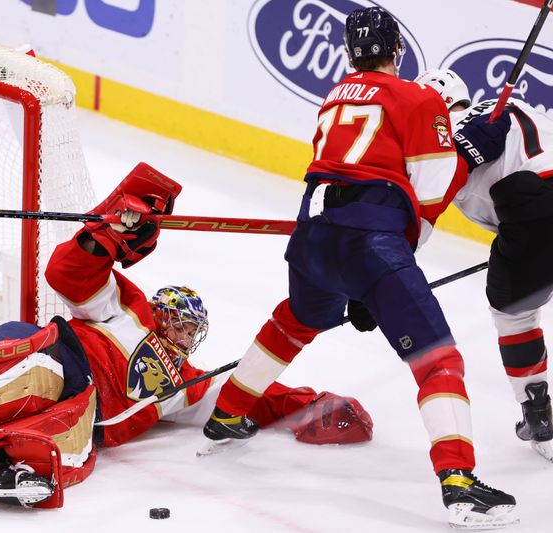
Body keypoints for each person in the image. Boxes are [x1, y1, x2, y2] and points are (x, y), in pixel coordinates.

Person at [0, 162, 374, 509]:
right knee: (36, 363)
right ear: (162, 313)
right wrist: (106, 237)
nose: (185, 334)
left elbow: (248, 396)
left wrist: (314, 405)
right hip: (63, 357)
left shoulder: (189, 384)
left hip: (86, 407)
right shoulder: (128, 308)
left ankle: (15, 466)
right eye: (181, 322)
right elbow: (69, 275)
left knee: (72, 441)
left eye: (193, 329)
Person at [200, 7, 518, 529]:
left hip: (312, 238)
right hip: (370, 242)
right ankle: (459, 481)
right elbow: (432, 191)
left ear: (352, 53)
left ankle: (227, 414)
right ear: (398, 50)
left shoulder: (335, 95)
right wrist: (469, 149)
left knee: (295, 319)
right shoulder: (418, 98)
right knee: (439, 360)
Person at [416, 67, 553, 463]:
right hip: (532, 218)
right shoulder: (512, 106)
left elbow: (423, 216)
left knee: (514, 314)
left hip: (534, 216)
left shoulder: (443, 144)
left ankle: (539, 417)